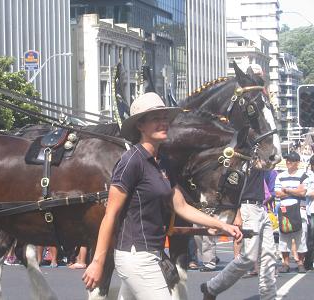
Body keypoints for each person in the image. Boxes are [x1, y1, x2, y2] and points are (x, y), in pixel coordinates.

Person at [81, 92, 242, 299]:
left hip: (152, 254)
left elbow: (181, 206)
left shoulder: (163, 162)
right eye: (156, 118)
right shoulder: (131, 162)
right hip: (135, 256)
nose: (163, 123)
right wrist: (97, 262)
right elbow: (110, 215)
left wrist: (221, 225)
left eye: (165, 118)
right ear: (140, 126)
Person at [201, 167, 277, 300]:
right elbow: (232, 191)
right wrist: (238, 213)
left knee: (269, 255)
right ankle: (212, 287)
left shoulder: (258, 156)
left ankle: (268, 296)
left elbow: (272, 161)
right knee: (249, 257)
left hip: (261, 206)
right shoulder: (241, 160)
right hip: (247, 207)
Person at [274, 151, 308, 273]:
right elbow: (277, 193)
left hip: (300, 209)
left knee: (301, 237)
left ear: (297, 163)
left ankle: (300, 263)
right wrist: (294, 190)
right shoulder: (280, 175)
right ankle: (286, 263)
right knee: (284, 237)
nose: (288, 162)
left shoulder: (303, 175)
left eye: (291, 161)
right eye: (287, 160)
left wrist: (287, 190)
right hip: (284, 210)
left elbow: (303, 192)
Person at [304, 155, 314, 270]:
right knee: (311, 237)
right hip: (311, 211)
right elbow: (304, 191)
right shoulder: (308, 176)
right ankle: (308, 262)